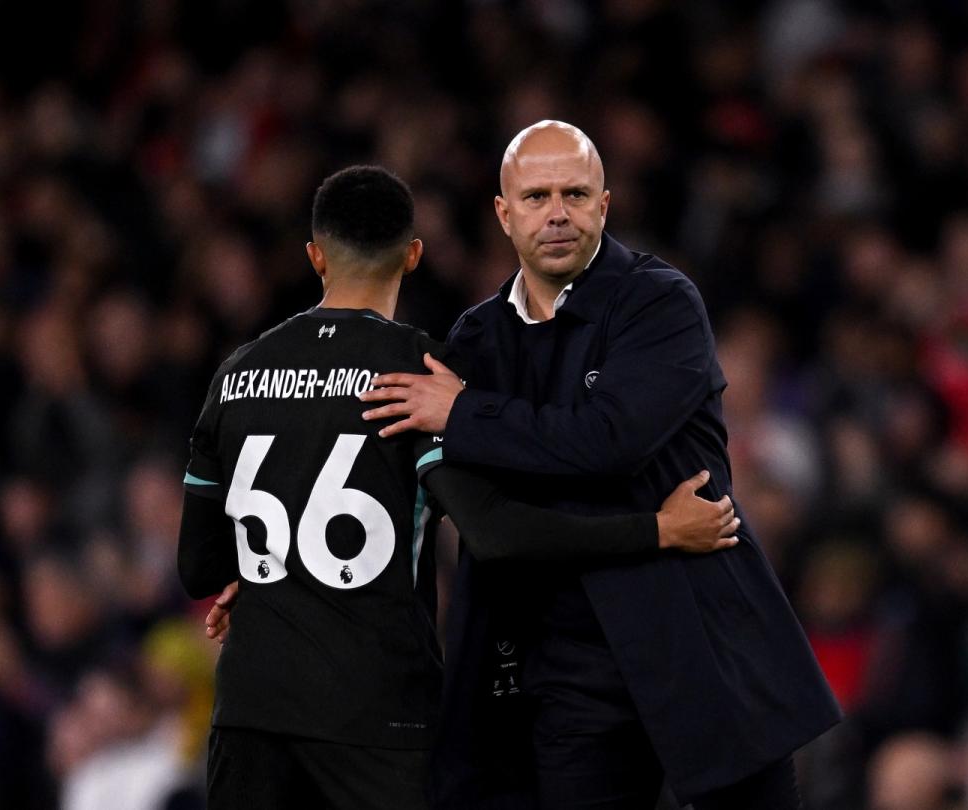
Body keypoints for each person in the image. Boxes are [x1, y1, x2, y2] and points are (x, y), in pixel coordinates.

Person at [176, 165, 741, 810]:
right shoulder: (418, 376)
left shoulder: (236, 372)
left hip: (248, 715)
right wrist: (656, 530)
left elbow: (198, 568)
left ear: (315, 256)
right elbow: (498, 534)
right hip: (376, 715)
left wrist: (268, 575)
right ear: (413, 256)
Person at [360, 122, 841, 809]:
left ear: (605, 204)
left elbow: (609, 441)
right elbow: (473, 509)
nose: (557, 213)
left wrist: (465, 414)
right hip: (565, 665)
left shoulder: (660, 302)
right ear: (504, 213)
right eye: (536, 197)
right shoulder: (477, 338)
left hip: (697, 636)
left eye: (576, 194)